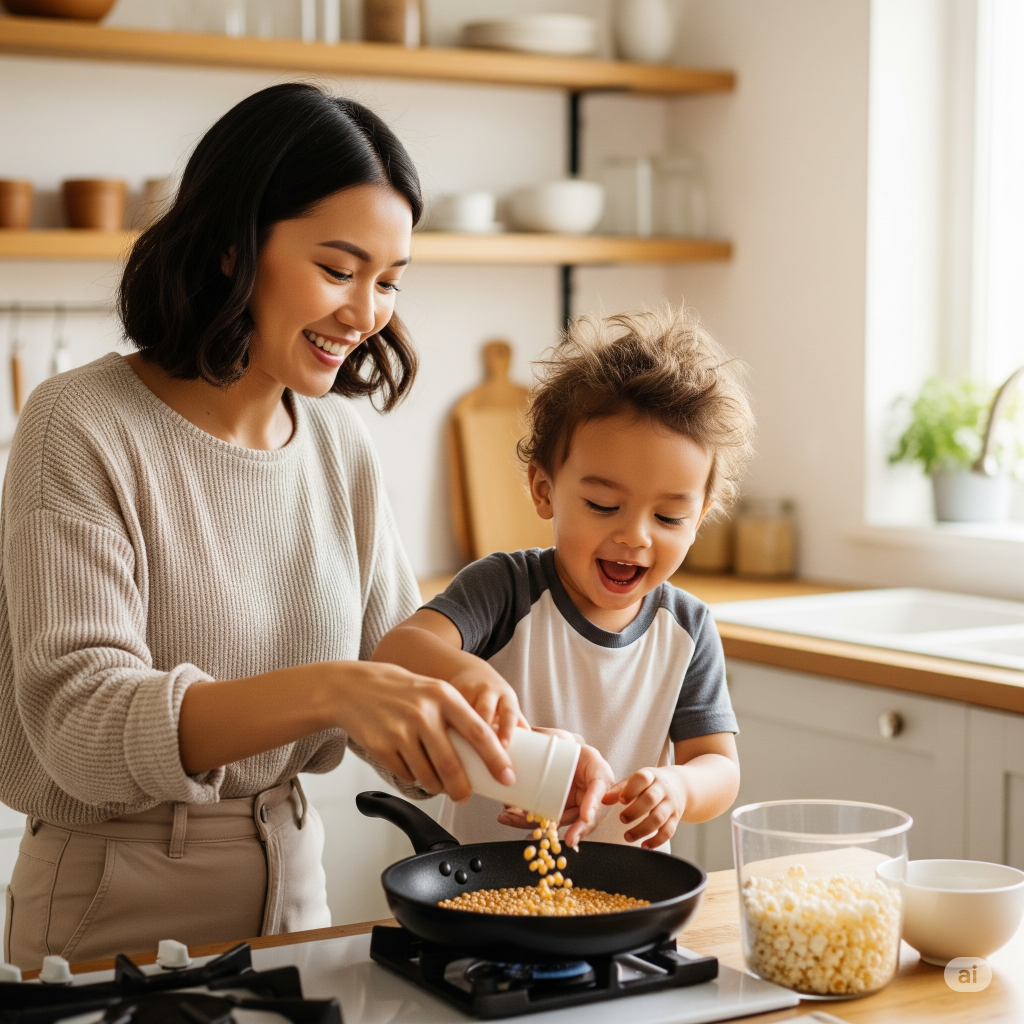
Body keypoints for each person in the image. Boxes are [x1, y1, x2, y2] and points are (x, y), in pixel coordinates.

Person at [0, 83, 522, 970]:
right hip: (112, 904)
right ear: (233, 249)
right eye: (338, 268)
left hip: (295, 894)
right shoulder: (79, 424)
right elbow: (79, 720)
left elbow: (390, 661)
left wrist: (494, 733)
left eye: (389, 281)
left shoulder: (339, 442)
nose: (366, 315)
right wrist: (333, 689)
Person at [373, 306, 755, 849]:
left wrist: (678, 786)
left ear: (700, 517)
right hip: (486, 892)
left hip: (622, 903)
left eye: (669, 517)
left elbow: (718, 766)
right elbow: (398, 651)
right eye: (603, 504)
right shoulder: (503, 588)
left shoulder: (687, 628)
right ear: (544, 489)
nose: (636, 536)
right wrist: (472, 679)